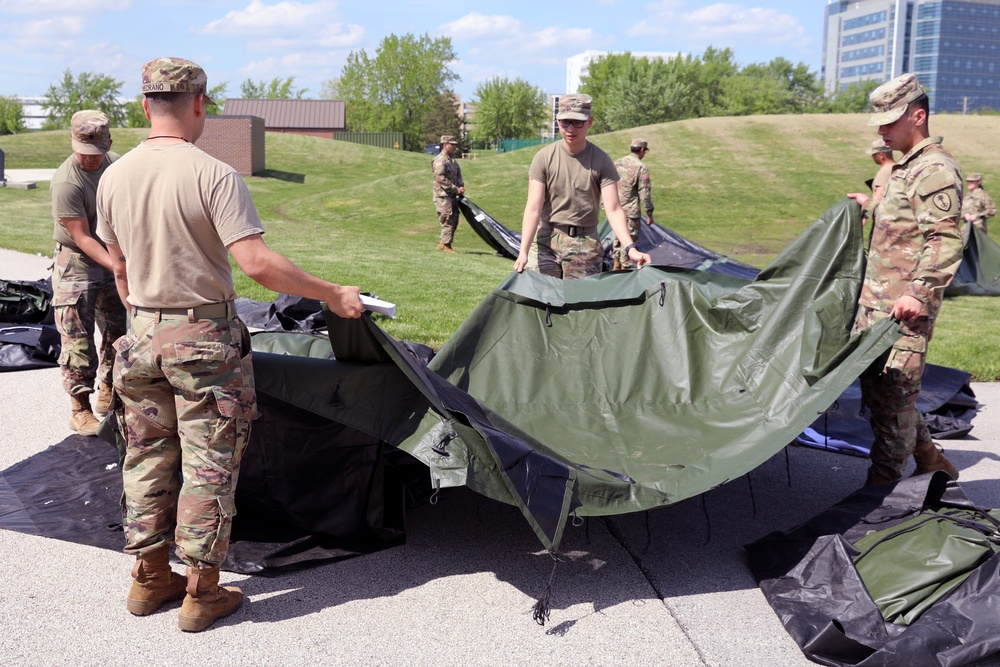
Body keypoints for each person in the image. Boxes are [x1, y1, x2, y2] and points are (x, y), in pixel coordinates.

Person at [96, 57, 364, 633]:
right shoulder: (214, 174)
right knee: (208, 465)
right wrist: (332, 294)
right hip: (202, 341)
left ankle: (147, 580)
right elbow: (259, 266)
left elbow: (118, 269)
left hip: (139, 335)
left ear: (145, 106)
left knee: (145, 458)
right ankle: (200, 592)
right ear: (199, 103)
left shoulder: (112, 177)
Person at [846, 74, 964, 488]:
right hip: (878, 305)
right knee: (885, 396)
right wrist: (869, 205)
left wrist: (919, 291)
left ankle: (882, 494)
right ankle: (932, 459)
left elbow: (945, 239)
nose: (882, 130)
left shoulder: (933, 170)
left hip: (904, 309)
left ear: (919, 115)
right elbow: (902, 225)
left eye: (891, 121)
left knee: (894, 400)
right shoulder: (904, 167)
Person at [50, 110, 127, 436]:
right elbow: (82, 236)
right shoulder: (67, 182)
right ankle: (79, 408)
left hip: (112, 255)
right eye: (83, 152)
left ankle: (108, 387)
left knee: (118, 330)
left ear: (108, 143)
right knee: (78, 340)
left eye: (96, 152)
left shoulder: (119, 166)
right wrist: (120, 266)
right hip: (77, 263)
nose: (89, 159)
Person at [514, 94, 651, 279]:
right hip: (546, 240)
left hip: (585, 244)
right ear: (557, 121)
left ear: (589, 122)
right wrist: (523, 251)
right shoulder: (544, 157)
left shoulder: (601, 161)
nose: (570, 129)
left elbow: (614, 209)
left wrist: (631, 249)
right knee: (540, 301)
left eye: (577, 122)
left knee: (579, 304)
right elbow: (533, 208)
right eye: (565, 122)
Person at [612, 138, 655, 270]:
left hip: (615, 209)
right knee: (629, 241)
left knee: (618, 238)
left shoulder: (618, 163)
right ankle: (624, 272)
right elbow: (645, 193)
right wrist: (649, 213)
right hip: (630, 211)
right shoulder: (641, 167)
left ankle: (615, 267)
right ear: (642, 150)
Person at [433, 135, 464, 253]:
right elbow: (440, 178)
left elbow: (458, 174)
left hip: (451, 196)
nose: (455, 147)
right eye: (452, 145)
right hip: (443, 196)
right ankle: (446, 245)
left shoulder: (452, 160)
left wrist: (461, 185)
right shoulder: (440, 160)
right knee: (447, 220)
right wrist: (455, 189)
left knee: (454, 219)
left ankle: (443, 242)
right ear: (445, 145)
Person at [867, 139, 894, 204]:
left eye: (874, 154)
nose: (872, 157)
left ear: (881, 155)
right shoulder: (897, 166)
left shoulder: (885, 171)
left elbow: (878, 198)